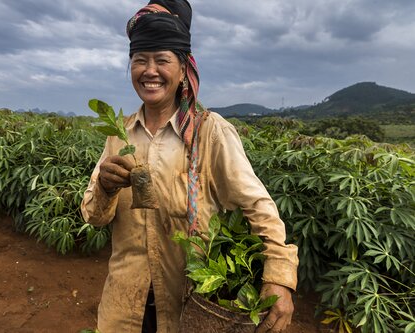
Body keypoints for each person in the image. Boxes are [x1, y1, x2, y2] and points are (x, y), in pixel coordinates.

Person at [81, 1, 299, 332]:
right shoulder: (119, 134)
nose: (149, 70)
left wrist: (280, 277)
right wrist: (106, 188)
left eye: (162, 60)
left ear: (183, 69)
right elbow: (93, 216)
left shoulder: (209, 131)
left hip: (189, 308)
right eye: (140, 60)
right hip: (124, 308)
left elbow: (258, 207)